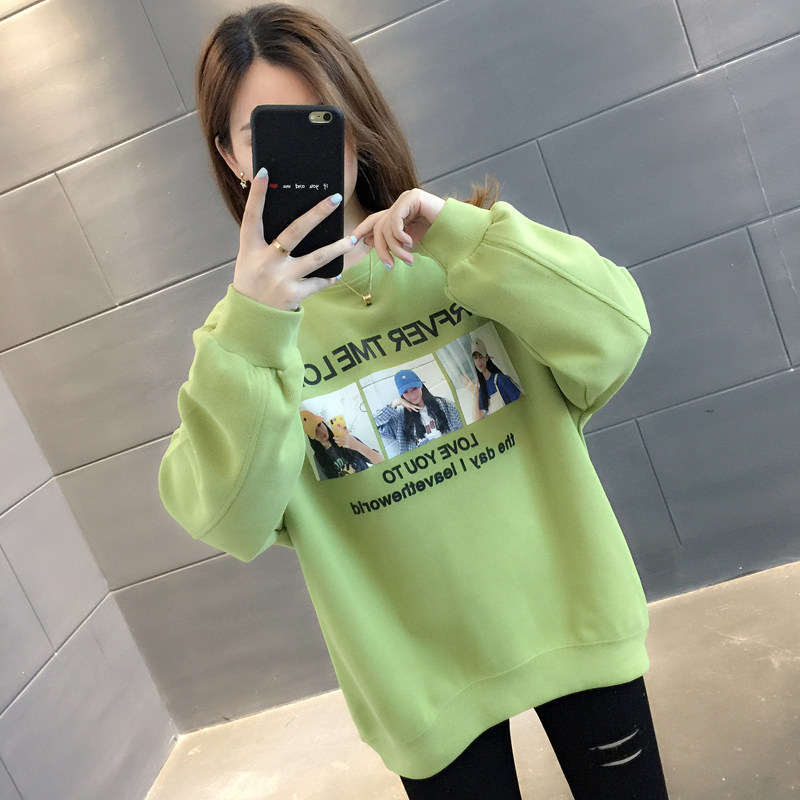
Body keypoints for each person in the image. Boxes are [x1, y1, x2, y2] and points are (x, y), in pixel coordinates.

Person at [158, 4, 670, 798]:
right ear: (228, 154)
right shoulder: (243, 344)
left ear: (354, 119)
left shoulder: (463, 253)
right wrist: (256, 331)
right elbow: (226, 516)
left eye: (317, 117)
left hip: (576, 618)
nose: (299, 151)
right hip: (422, 689)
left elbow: (616, 335)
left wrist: (464, 237)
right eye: (264, 133)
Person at [373, 369, 462, 453]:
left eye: (414, 388)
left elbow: (461, 427)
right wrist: (395, 403)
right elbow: (376, 425)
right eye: (406, 392)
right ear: (402, 395)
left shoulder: (443, 405)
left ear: (421, 386)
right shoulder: (400, 418)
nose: (412, 395)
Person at [300, 409, 382, 479]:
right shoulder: (318, 458)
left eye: (319, 424)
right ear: (311, 437)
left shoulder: (348, 440)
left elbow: (379, 461)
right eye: (315, 431)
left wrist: (357, 445)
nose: (321, 431)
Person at [464, 337, 522, 421]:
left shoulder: (501, 379)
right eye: (475, 358)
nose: (479, 361)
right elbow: (477, 420)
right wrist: (475, 394)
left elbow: (522, 401)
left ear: (487, 357)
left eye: (481, 356)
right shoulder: (481, 388)